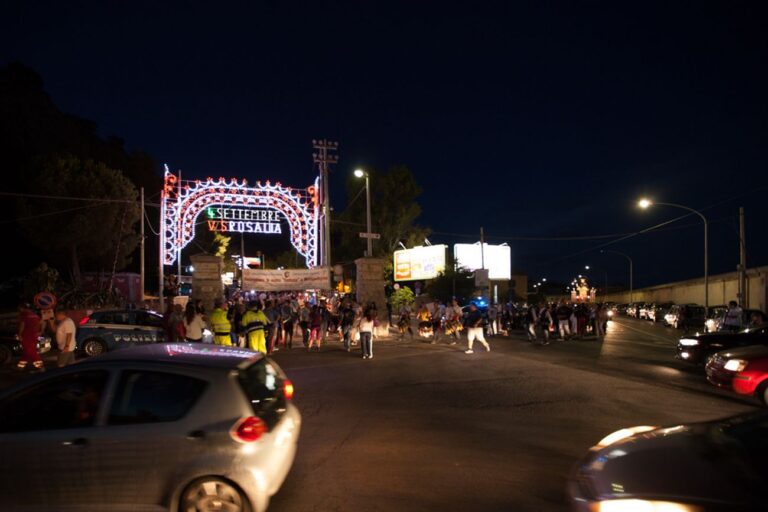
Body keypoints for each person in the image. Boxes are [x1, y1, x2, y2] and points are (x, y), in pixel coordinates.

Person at [16, 302, 44, 371]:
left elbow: (22, 325)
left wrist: (19, 334)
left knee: (31, 351)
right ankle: (20, 367)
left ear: (21, 308)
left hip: (26, 336)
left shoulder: (24, 314)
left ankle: (40, 367)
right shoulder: (34, 315)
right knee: (27, 351)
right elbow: (42, 323)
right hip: (34, 335)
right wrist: (40, 331)